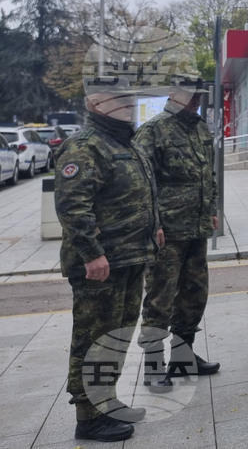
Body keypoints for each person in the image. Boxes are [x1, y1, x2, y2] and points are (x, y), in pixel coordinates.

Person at [55, 79, 164, 442]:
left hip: (130, 257)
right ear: (96, 103)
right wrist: (92, 253)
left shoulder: (125, 142)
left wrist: (155, 227)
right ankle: (89, 417)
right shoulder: (85, 145)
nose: (129, 105)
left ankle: (107, 401)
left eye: (131, 99)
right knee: (94, 338)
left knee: (117, 335)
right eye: (120, 99)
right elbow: (72, 206)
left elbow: (141, 191)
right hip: (101, 265)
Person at [136, 74, 221, 393]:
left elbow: (208, 174)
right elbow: (142, 182)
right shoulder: (153, 130)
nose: (196, 99)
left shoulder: (200, 128)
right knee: (160, 298)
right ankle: (153, 367)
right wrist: (153, 223)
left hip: (196, 227)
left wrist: (212, 207)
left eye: (199, 95)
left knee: (194, 294)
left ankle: (183, 358)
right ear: (173, 94)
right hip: (167, 232)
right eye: (190, 94)